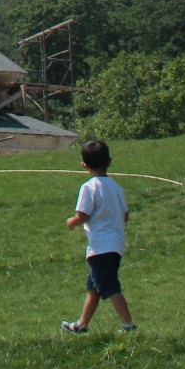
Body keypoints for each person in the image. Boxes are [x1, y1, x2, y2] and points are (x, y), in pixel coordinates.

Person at [60, 139, 135, 335]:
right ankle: (81, 325)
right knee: (94, 286)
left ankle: (128, 325)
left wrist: (72, 222)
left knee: (109, 285)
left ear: (84, 164)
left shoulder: (88, 187)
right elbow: (125, 216)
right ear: (109, 161)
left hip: (100, 246)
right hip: (116, 243)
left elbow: (83, 215)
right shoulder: (116, 187)